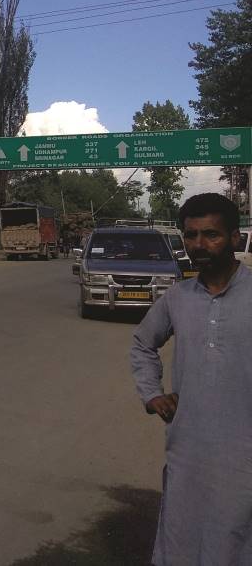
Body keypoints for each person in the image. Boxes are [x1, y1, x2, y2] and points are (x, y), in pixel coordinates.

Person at [130, 193, 252, 565]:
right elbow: (142, 344)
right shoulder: (177, 298)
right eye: (191, 235)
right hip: (188, 449)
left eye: (211, 235)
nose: (199, 245)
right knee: (181, 534)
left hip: (244, 453)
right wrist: (152, 394)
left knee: (234, 539)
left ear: (234, 238)